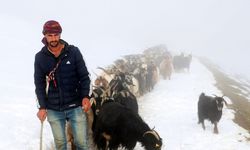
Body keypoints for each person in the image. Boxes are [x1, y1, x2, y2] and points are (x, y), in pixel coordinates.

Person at [34, 20, 91, 150]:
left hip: (76, 105)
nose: (53, 38)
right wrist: (42, 107)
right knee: (60, 145)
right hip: (54, 108)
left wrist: (85, 96)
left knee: (82, 143)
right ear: (45, 36)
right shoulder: (40, 57)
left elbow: (84, 77)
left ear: (60, 35)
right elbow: (39, 84)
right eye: (50, 35)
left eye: (56, 35)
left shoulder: (74, 52)